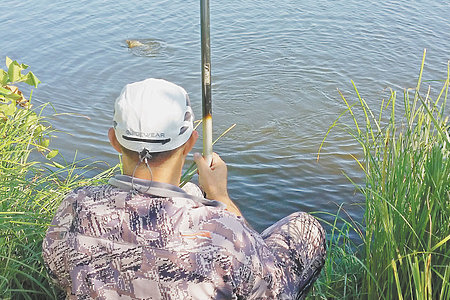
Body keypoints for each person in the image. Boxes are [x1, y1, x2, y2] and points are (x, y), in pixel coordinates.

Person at [43, 78, 326, 299]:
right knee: (305, 227)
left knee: (191, 190)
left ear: (114, 141)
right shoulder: (222, 232)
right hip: (234, 247)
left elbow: (58, 273)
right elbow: (269, 290)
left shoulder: (75, 207)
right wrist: (220, 196)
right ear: (190, 142)